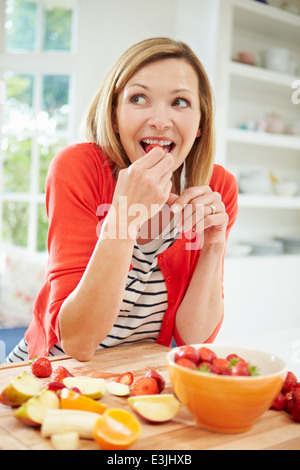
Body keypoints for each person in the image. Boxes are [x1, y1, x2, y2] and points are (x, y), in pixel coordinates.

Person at [5, 37, 238, 363]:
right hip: (53, 369)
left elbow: (194, 337)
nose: (160, 120)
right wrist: (124, 217)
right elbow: (78, 342)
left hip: (131, 379)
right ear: (114, 116)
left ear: (201, 123)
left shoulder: (218, 187)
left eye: (180, 102)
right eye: (139, 98)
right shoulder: (77, 168)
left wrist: (214, 245)